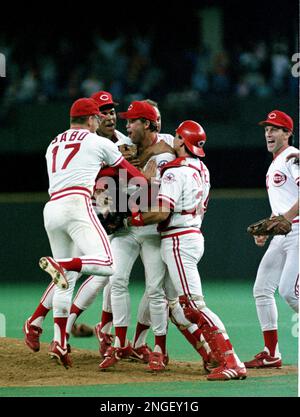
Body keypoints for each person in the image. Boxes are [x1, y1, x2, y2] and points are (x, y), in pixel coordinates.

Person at [23, 97, 146, 368]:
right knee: (107, 264)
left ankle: (58, 340)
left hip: (52, 208)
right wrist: (147, 182)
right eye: (98, 118)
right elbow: (130, 173)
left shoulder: (53, 142)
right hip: (78, 204)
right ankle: (62, 266)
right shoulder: (97, 141)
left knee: (64, 280)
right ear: (91, 119)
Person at [127, 120, 247, 380]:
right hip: (191, 234)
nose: (174, 141)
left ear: (181, 141)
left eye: (177, 138)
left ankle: (231, 361)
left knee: (193, 304)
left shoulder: (174, 171)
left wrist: (131, 219)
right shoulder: (202, 168)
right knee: (179, 307)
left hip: (178, 239)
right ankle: (212, 356)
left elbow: (160, 212)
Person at [98, 100, 175, 371]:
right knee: (116, 279)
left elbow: (156, 197)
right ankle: (119, 345)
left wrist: (139, 177)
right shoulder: (124, 150)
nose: (126, 125)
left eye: (132, 121)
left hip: (152, 229)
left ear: (147, 124)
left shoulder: (164, 153)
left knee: (155, 289)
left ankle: (159, 349)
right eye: (127, 121)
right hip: (127, 228)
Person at [244, 110, 299, 368]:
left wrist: (286, 218)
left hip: (297, 230)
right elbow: (283, 203)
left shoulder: (292, 156)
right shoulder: (275, 163)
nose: (268, 133)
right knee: (262, 289)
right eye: (266, 128)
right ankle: (272, 352)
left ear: (288, 133)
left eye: (275, 129)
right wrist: (268, 228)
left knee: (290, 292)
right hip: (283, 233)